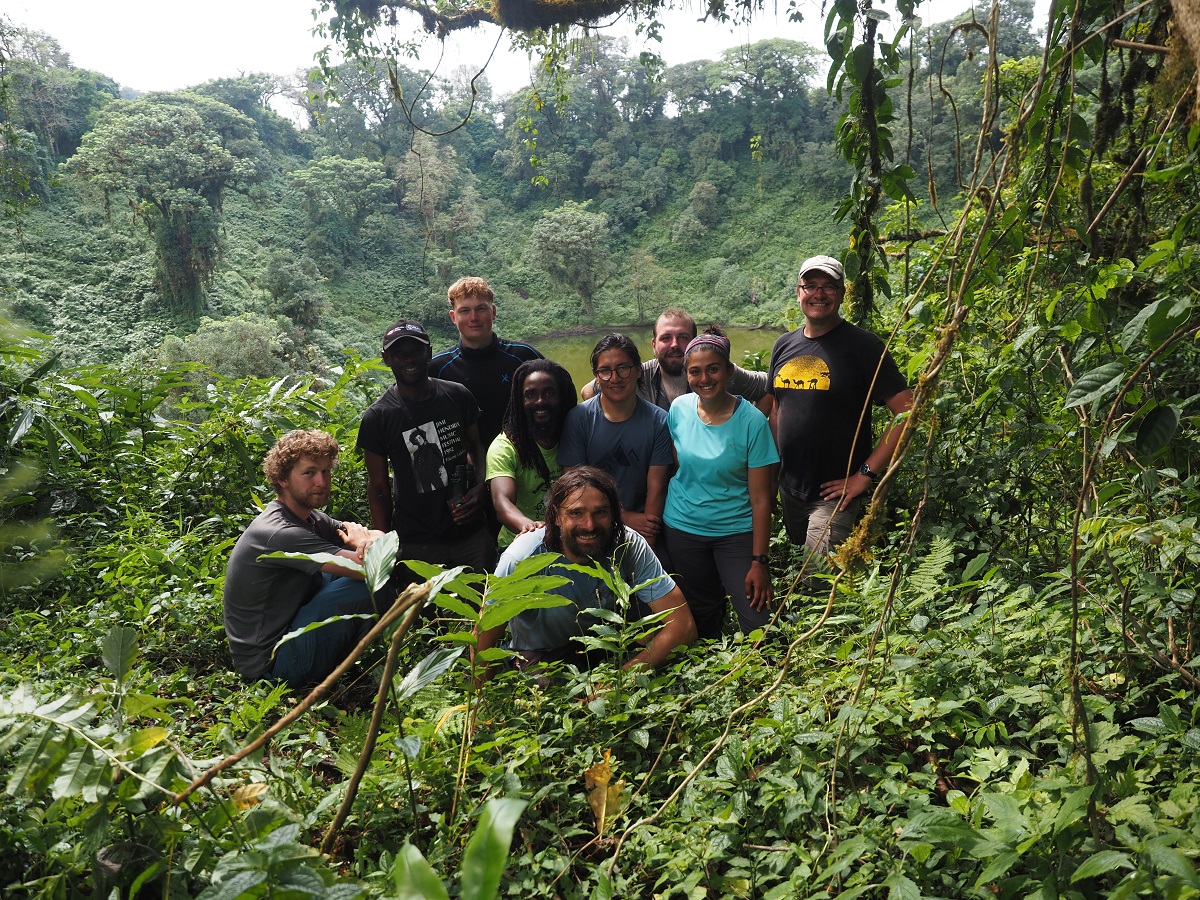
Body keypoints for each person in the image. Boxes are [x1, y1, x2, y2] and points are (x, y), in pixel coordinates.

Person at [475, 467, 697, 675]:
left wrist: (623, 679)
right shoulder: (523, 557)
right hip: (542, 652)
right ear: (556, 516)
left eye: (600, 512)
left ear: (614, 514)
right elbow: (484, 635)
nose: (589, 525)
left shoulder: (628, 544)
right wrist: (479, 698)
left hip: (610, 641)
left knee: (661, 648)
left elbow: (683, 626)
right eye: (576, 513)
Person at [768, 255, 914, 557]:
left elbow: (908, 410)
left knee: (816, 576)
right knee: (804, 571)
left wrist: (865, 474)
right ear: (798, 292)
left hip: (834, 495)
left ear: (842, 293)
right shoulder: (784, 345)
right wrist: (772, 473)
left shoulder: (863, 346)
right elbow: (776, 408)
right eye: (810, 285)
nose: (819, 294)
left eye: (829, 286)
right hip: (790, 489)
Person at [222, 430, 385, 687]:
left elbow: (380, 537)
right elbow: (376, 567)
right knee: (370, 584)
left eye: (326, 471)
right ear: (283, 479)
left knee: (347, 571)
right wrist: (365, 543)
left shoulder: (309, 518)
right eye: (309, 473)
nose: (321, 481)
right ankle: (352, 665)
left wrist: (367, 539)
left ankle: (346, 659)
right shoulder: (280, 532)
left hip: (290, 629)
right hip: (271, 666)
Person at [662, 326, 780, 638]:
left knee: (759, 621)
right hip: (683, 528)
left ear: (728, 371)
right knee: (701, 612)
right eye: (695, 371)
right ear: (686, 375)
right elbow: (678, 466)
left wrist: (759, 561)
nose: (705, 378)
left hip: (735, 532)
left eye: (713, 369)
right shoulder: (679, 409)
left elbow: (761, 499)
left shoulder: (752, 421)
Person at [358, 318, 494, 578]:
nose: (409, 359)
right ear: (386, 359)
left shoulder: (457, 395)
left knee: (484, 598)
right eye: (399, 353)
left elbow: (476, 446)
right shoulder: (379, 417)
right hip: (416, 540)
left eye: (416, 351)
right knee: (422, 605)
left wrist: (480, 486)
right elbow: (378, 488)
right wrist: (383, 544)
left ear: (429, 352)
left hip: (470, 533)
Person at [558, 333, 674, 547]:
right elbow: (574, 485)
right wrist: (622, 516)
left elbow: (656, 487)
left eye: (623, 368)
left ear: (638, 370)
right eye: (605, 370)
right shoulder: (579, 419)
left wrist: (647, 540)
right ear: (596, 376)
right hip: (591, 523)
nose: (615, 378)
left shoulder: (659, 421)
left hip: (643, 523)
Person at [429, 276, 544, 452]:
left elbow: (561, 391)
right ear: (453, 317)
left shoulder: (523, 356)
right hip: (468, 463)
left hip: (525, 458)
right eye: (464, 311)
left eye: (481, 309)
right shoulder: (437, 368)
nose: (473, 318)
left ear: (493, 312)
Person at [581, 309, 770, 413]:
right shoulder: (636, 374)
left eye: (683, 337)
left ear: (694, 342)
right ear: (654, 344)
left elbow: (769, 386)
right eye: (666, 338)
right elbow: (588, 392)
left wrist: (747, 428)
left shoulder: (717, 374)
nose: (674, 345)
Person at [486, 359, 578, 551]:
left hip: (571, 541)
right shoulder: (505, 447)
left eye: (549, 393)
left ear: (562, 396)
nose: (540, 401)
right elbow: (502, 502)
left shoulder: (575, 436)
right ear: (520, 400)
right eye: (530, 395)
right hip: (521, 543)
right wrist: (529, 527)